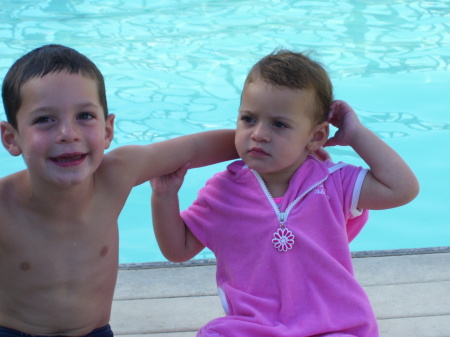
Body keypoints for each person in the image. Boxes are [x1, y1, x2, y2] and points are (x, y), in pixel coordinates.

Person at [150, 49, 419, 336]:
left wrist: (356, 134)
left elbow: (402, 188)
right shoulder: (223, 191)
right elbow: (177, 250)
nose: (259, 134)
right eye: (249, 119)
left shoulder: (334, 183)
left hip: (334, 326)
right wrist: (164, 196)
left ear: (316, 137)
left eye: (279, 124)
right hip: (253, 326)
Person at [0, 44, 238, 336]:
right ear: (12, 139)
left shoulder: (115, 176)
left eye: (85, 115)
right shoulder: (4, 205)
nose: (68, 134)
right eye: (44, 119)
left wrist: (269, 144)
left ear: (108, 130)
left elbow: (195, 148)